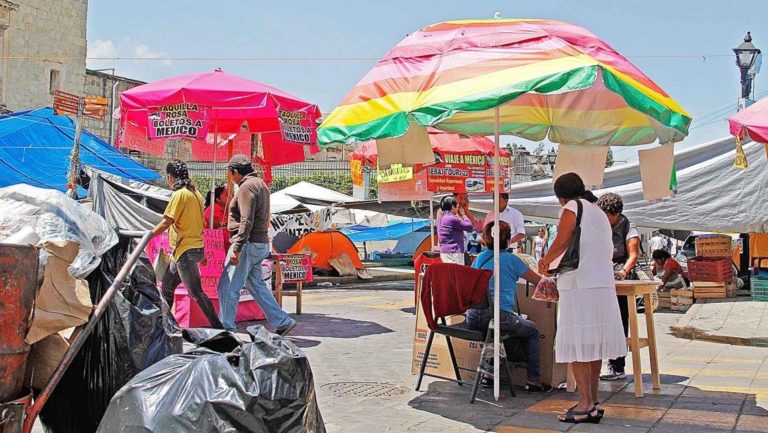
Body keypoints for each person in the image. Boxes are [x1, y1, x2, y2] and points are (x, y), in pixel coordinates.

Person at [538, 173, 626, 424]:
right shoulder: (598, 211)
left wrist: (545, 262)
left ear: (560, 197)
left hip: (579, 284)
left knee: (578, 343)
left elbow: (563, 240)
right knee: (593, 344)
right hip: (601, 284)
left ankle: (585, 404)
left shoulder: (571, 208)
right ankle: (593, 401)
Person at [467, 221, 552, 392]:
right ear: (508, 240)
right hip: (499, 317)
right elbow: (538, 281)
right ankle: (533, 380)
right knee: (532, 329)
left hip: (473, 317)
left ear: (485, 239)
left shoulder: (479, 259)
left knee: (494, 330)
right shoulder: (512, 260)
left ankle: (488, 376)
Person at [217, 154, 296, 336]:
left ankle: (226, 329)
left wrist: (237, 247)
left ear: (234, 172)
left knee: (228, 286)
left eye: (230, 173)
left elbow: (246, 220)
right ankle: (282, 320)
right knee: (256, 286)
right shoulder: (261, 185)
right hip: (259, 243)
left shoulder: (246, 187)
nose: (230, 177)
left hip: (247, 244)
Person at [151, 160, 223, 328]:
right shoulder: (195, 193)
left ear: (170, 177)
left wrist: (149, 236)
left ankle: (220, 329)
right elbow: (201, 223)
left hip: (185, 250)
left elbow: (166, 222)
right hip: (189, 249)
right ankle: (163, 326)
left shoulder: (179, 194)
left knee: (196, 292)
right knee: (167, 288)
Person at [596, 192, 640, 382]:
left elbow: (633, 255)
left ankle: (617, 365)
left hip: (620, 274)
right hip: (600, 272)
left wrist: (622, 272)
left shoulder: (629, 227)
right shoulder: (598, 226)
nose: (604, 220)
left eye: (608, 216)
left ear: (617, 214)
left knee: (620, 318)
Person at [437, 195, 476, 264]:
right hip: (453, 252)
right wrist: (463, 214)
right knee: (457, 273)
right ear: (452, 206)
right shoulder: (451, 218)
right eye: (457, 207)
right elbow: (470, 226)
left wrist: (466, 211)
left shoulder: (443, 217)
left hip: (446, 251)